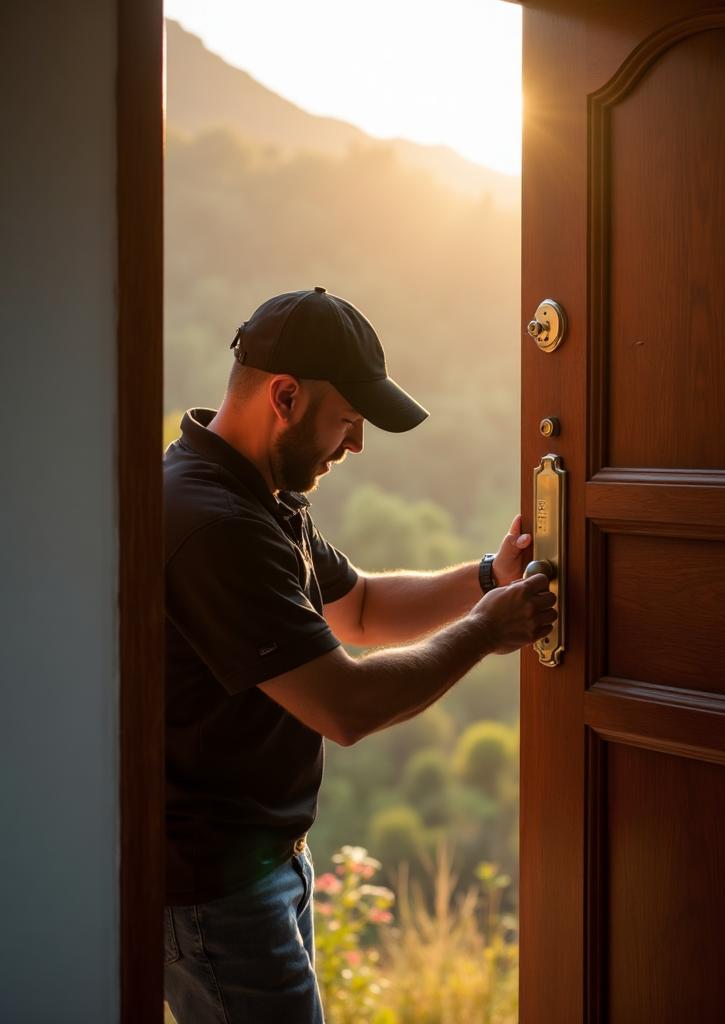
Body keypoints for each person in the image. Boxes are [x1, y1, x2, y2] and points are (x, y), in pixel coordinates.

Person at [163, 286, 557, 1023]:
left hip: (263, 866)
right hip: (215, 890)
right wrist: (485, 629)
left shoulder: (258, 497)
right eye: (346, 420)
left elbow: (365, 608)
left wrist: (486, 579)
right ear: (285, 396)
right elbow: (344, 707)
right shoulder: (213, 522)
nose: (355, 445)